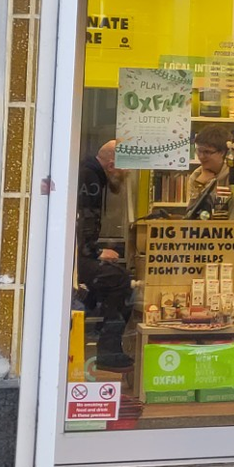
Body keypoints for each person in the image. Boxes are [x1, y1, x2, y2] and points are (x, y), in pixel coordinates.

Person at [77, 140, 134, 371]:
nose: (126, 173)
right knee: (120, 281)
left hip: (78, 254)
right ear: (111, 165)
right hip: (79, 256)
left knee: (116, 276)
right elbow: (85, 218)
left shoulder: (88, 173)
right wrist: (96, 251)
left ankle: (92, 317)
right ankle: (108, 351)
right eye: (124, 167)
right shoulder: (90, 177)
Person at [186, 124, 234, 217]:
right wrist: (199, 185)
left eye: (207, 152)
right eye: (199, 151)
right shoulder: (196, 176)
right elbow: (191, 215)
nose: (201, 156)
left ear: (222, 152)